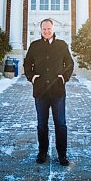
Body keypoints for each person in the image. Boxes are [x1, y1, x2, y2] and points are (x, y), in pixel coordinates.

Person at [24, 18, 74, 166]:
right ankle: (42, 152)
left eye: (49, 29)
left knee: (61, 124)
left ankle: (62, 154)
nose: (46, 31)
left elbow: (70, 64)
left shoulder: (62, 45)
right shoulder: (34, 46)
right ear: (41, 30)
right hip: (40, 92)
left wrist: (63, 77)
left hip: (58, 91)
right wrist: (32, 77)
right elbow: (27, 65)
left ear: (53, 29)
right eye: (44, 29)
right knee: (41, 125)